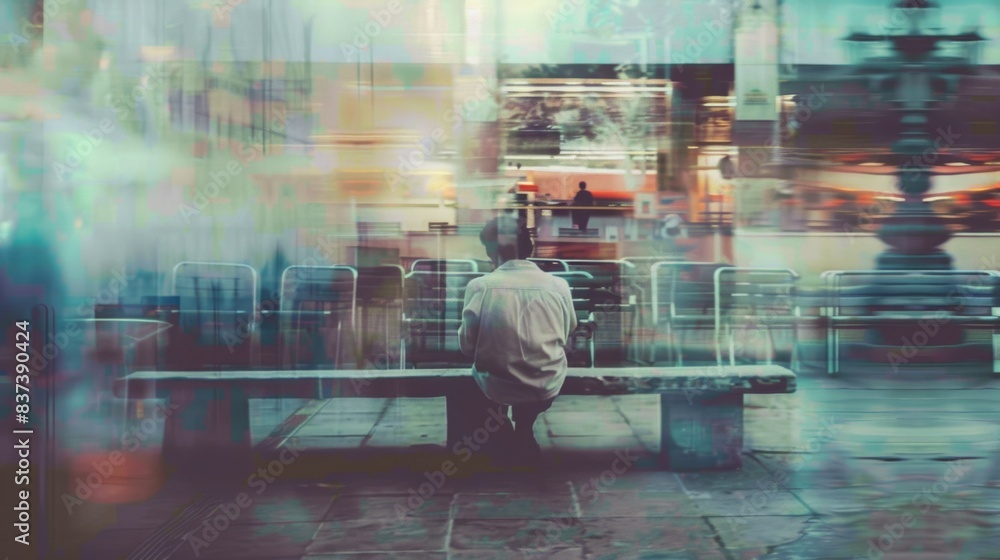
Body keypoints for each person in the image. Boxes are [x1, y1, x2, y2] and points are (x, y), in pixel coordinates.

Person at [458, 216, 577, 465]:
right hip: (546, 382)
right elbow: (567, 333)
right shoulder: (558, 285)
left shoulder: (481, 286)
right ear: (528, 248)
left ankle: (498, 430)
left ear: (491, 252)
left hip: (497, 386)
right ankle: (524, 428)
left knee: (481, 374)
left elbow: (467, 346)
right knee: (536, 367)